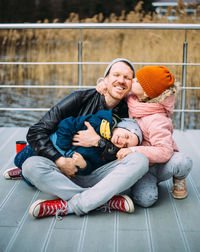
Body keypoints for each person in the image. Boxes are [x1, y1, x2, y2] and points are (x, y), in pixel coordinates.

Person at [6, 58, 150, 218]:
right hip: (64, 169)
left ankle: (78, 202)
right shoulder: (80, 98)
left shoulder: (130, 109)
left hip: (97, 172)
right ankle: (102, 200)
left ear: (131, 84)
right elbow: (36, 131)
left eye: (127, 78)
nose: (121, 81)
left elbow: (156, 101)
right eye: (116, 75)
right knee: (29, 166)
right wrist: (60, 160)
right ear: (105, 79)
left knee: (140, 160)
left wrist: (99, 142)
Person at [112, 65, 192, 206]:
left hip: (161, 164)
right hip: (142, 167)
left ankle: (179, 176)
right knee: (145, 200)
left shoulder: (157, 118)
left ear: (147, 93)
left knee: (182, 161)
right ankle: (145, 181)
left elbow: (164, 152)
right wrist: (102, 85)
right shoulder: (133, 100)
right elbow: (114, 89)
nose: (133, 80)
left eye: (137, 81)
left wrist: (133, 150)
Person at [10, 109, 142, 178]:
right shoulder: (97, 122)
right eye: (126, 136)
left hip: (61, 163)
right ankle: (21, 168)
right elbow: (67, 124)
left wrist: (84, 166)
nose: (122, 141)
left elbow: (94, 165)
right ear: (120, 126)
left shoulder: (107, 154)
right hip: (53, 144)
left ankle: (24, 174)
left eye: (125, 145)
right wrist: (64, 148)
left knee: (29, 178)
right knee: (19, 160)